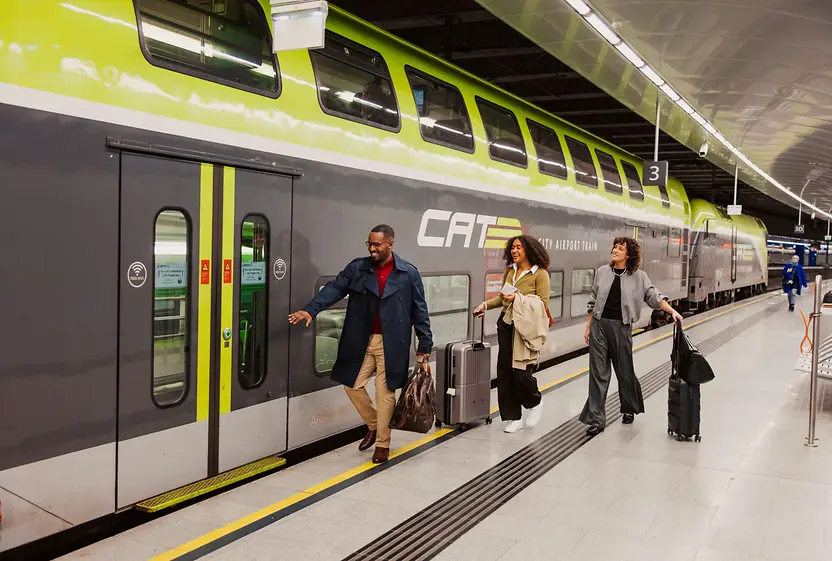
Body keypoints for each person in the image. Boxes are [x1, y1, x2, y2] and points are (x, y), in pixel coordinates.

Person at [288, 225, 432, 463]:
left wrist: (425, 345)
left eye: (377, 245)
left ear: (390, 244)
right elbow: (333, 289)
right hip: (362, 340)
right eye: (369, 244)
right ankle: (375, 424)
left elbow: (420, 310)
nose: (372, 249)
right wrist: (310, 310)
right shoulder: (357, 268)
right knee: (351, 385)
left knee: (385, 394)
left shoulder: (408, 273)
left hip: (392, 343)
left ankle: (382, 444)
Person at [579, 236, 683, 437]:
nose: (615, 251)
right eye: (614, 247)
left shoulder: (639, 277)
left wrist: (673, 312)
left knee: (624, 371)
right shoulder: (602, 272)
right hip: (599, 326)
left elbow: (654, 297)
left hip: (622, 328)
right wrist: (588, 327)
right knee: (598, 373)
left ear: (629, 254)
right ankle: (596, 420)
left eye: (620, 248)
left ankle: (629, 407)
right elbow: (593, 302)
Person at [473, 236, 551, 434]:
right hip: (506, 325)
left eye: (519, 247)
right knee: (505, 374)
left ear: (529, 250)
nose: (514, 251)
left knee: (521, 374)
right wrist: (485, 305)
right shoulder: (511, 271)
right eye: (512, 247)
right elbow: (502, 298)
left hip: (525, 330)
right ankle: (513, 417)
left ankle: (535, 401)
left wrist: (519, 298)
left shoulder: (540, 274)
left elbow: (542, 304)